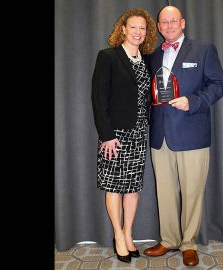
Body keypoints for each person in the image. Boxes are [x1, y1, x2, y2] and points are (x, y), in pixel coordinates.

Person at [143, 5, 223, 267]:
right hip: (160, 136)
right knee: (165, 192)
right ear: (158, 27)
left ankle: (188, 243)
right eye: (163, 22)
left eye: (172, 21)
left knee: (192, 192)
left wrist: (193, 101)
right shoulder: (153, 56)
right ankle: (168, 240)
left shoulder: (203, 49)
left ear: (182, 23)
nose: (168, 26)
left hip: (192, 133)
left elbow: (219, 84)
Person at [91, 7, 157, 263]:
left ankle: (129, 233)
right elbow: (98, 99)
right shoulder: (108, 57)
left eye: (143, 28)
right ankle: (118, 235)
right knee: (114, 187)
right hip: (115, 135)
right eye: (134, 27)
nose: (138, 32)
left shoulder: (147, 59)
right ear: (123, 29)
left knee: (132, 187)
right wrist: (106, 135)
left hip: (140, 132)